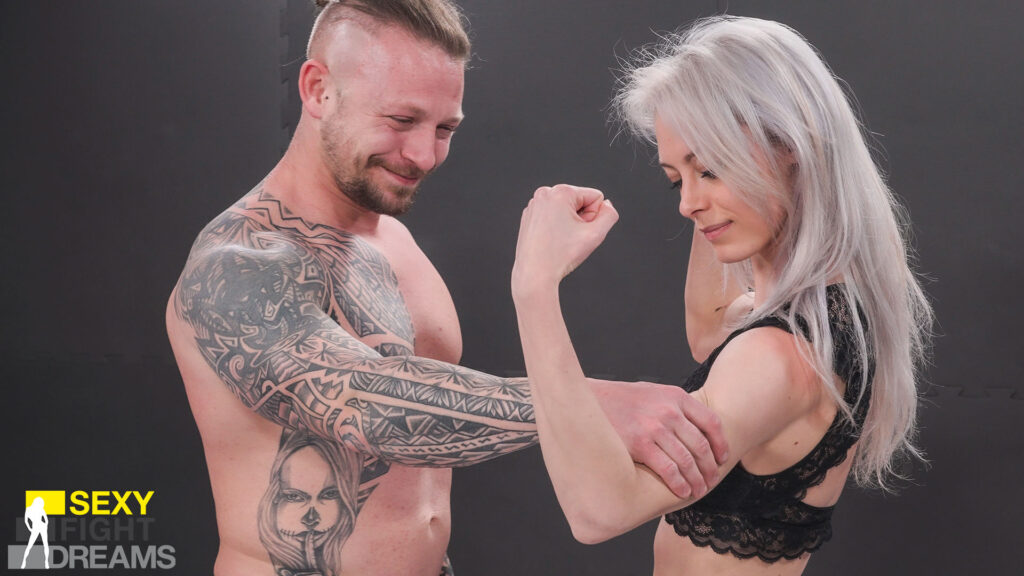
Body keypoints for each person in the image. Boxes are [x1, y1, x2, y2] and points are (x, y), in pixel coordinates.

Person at [165, 2, 728, 575]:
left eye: (444, 128)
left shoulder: (392, 239)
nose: (424, 155)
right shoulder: (240, 263)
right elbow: (364, 408)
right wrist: (585, 403)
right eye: (401, 120)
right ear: (317, 90)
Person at [511, 16, 934, 576]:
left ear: (790, 145)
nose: (686, 203)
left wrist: (533, 286)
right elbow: (710, 331)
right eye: (675, 179)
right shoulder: (829, 313)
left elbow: (598, 511)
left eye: (709, 169)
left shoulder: (778, 357)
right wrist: (716, 182)